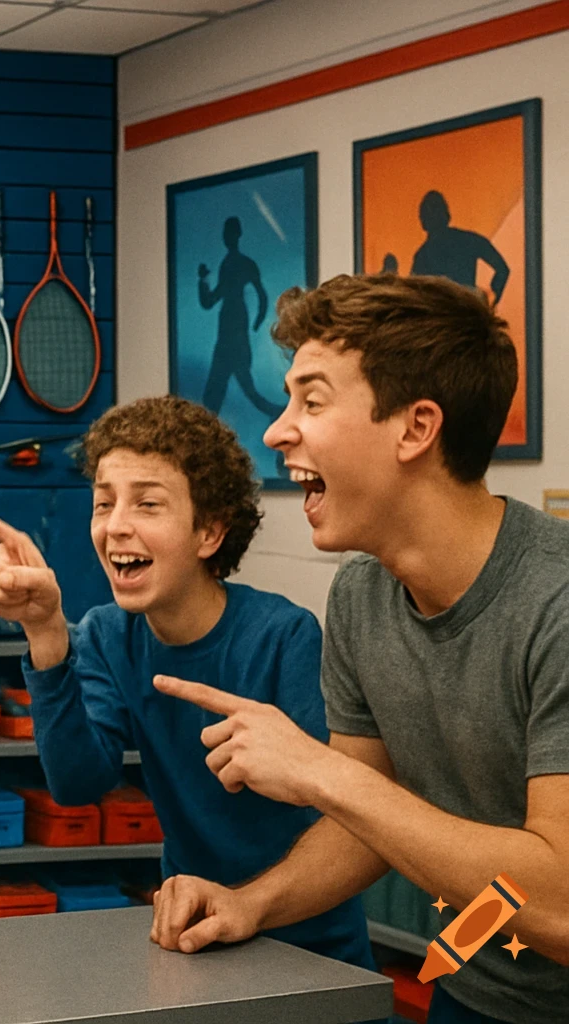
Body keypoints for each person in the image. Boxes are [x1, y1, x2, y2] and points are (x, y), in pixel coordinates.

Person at [150, 274, 569, 1024]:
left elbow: (564, 907)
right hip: (474, 989)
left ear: (415, 428)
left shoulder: (557, 604)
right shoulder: (363, 593)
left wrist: (315, 771)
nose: (277, 431)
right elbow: (366, 822)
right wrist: (252, 905)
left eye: (311, 401)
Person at [0, 395, 372, 970]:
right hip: (191, 937)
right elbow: (78, 783)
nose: (116, 525)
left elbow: (345, 816)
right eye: (104, 503)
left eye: (148, 504)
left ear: (209, 532)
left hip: (307, 943)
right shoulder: (107, 634)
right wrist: (46, 632)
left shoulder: (282, 636)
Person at [198, 216, 281, 418]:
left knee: (234, 389)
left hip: (234, 334)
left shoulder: (243, 264)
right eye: (225, 233)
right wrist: (203, 281)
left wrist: (257, 322)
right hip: (228, 331)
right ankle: (276, 412)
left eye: (230, 233)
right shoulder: (230, 264)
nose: (227, 237)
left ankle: (277, 412)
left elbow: (261, 295)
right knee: (220, 391)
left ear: (236, 235)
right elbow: (210, 301)